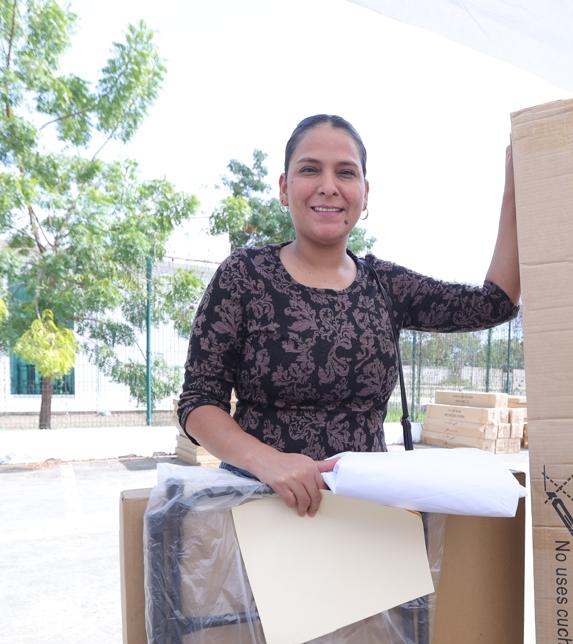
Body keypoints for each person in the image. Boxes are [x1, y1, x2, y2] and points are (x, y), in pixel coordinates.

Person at [178, 115, 520, 515]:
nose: (328, 186)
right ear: (284, 188)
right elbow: (199, 402)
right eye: (310, 169)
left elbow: (493, 304)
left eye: (345, 172)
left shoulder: (385, 285)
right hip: (261, 512)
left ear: (365, 192)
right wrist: (266, 461)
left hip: (366, 517)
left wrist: (516, 187)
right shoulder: (245, 275)